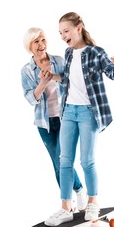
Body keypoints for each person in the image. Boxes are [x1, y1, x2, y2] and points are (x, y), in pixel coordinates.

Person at [44, 12, 114, 226]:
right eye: (60, 33)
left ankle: (92, 202)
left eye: (66, 31)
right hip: (69, 112)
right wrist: (53, 77)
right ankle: (66, 208)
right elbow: (69, 80)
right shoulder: (68, 53)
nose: (63, 36)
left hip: (89, 112)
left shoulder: (96, 52)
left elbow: (113, 74)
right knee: (64, 161)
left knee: (87, 161)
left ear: (78, 28)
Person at [20, 27, 87, 211]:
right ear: (30, 46)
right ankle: (69, 203)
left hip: (65, 117)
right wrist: (42, 82)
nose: (41, 45)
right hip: (44, 123)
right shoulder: (26, 71)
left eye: (43, 40)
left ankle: (79, 191)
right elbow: (30, 99)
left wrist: (55, 77)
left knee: (62, 159)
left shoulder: (59, 60)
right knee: (57, 164)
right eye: (36, 41)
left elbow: (72, 83)